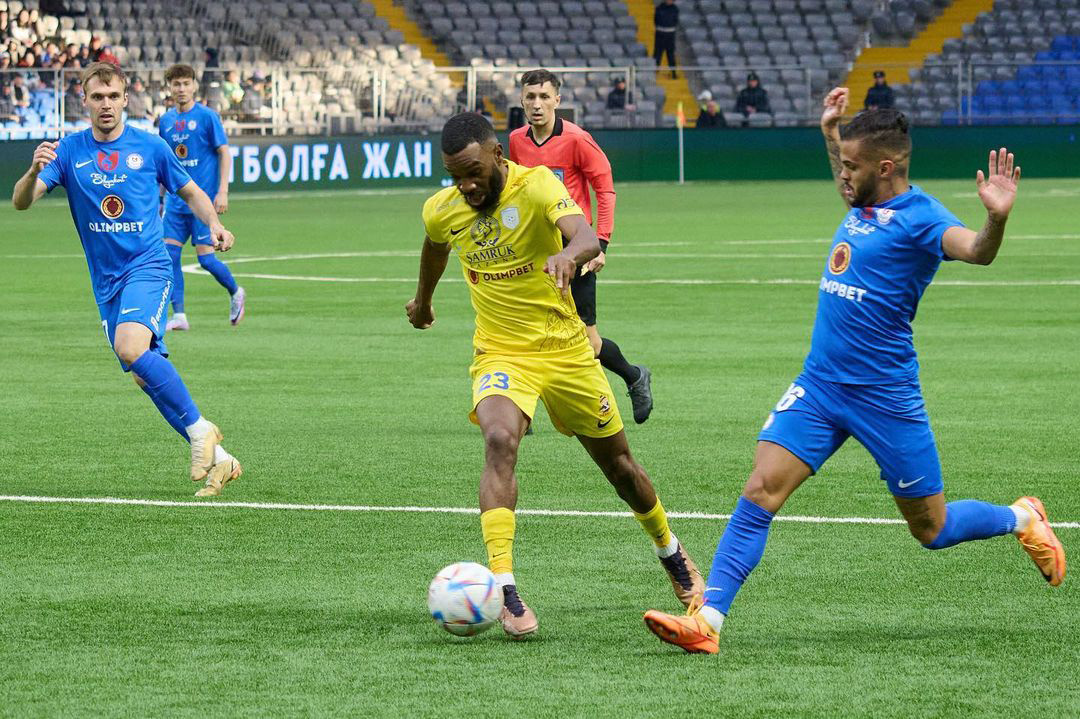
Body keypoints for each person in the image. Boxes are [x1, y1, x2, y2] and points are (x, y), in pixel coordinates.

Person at [642, 87, 1065, 655]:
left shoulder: (922, 219)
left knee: (932, 529)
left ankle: (1021, 518)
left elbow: (977, 250)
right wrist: (829, 131)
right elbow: (851, 181)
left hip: (885, 396)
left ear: (885, 168)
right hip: (820, 387)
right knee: (760, 489)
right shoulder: (863, 204)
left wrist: (995, 219)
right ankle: (708, 621)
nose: (842, 176)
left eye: (851, 166)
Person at [407, 112, 704, 638]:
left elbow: (585, 236)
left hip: (565, 349)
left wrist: (568, 256)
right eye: (455, 176)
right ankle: (506, 591)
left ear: (498, 155)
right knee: (499, 439)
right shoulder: (442, 209)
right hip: (501, 351)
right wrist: (423, 301)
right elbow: (434, 247)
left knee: (621, 468)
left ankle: (671, 552)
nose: (466, 185)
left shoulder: (537, 185)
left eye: (473, 172)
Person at [11, 63, 244, 498]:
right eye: (97, 97)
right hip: (106, 282)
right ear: (84, 100)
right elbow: (22, 202)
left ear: (125, 99)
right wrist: (30, 171)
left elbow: (190, 191)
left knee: (130, 348)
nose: (106, 104)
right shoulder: (68, 151)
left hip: (148, 266)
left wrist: (214, 223)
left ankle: (200, 431)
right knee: (143, 374)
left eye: (113, 96)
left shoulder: (150, 146)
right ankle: (222, 459)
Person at [509, 69, 654, 424]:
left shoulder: (578, 139)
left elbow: (605, 188)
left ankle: (634, 376)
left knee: (588, 341)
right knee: (527, 329)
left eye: (544, 97)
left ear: (557, 100)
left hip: (575, 248)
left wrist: (600, 243)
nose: (537, 104)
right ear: (522, 101)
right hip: (534, 250)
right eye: (531, 97)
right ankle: (519, 409)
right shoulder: (515, 141)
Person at [158, 64, 243, 331]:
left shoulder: (207, 117)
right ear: (169, 88)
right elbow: (163, 163)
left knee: (206, 259)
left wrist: (222, 191)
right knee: (169, 256)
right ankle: (179, 315)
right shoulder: (166, 121)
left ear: (194, 86)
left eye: (186, 83)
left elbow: (224, 152)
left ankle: (235, 291)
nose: (181, 89)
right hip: (174, 203)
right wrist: (159, 198)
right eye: (176, 84)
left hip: (201, 203)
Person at [653, 0, 678, 78]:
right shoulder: (659, 8)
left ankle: (673, 73)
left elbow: (675, 21)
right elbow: (656, 20)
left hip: (670, 34)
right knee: (657, 53)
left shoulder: (675, 9)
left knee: (670, 54)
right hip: (660, 33)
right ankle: (655, 71)